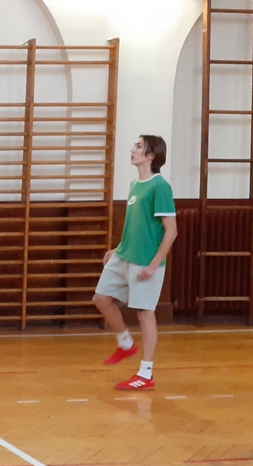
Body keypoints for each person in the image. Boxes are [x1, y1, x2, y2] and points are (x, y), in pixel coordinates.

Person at [93, 135, 178, 391]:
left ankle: (146, 374)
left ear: (151, 155)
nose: (132, 149)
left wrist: (154, 265)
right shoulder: (134, 185)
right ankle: (125, 343)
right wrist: (118, 248)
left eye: (139, 146)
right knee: (101, 298)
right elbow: (135, 225)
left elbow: (171, 231)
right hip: (124, 256)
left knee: (144, 313)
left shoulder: (160, 187)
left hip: (145, 261)